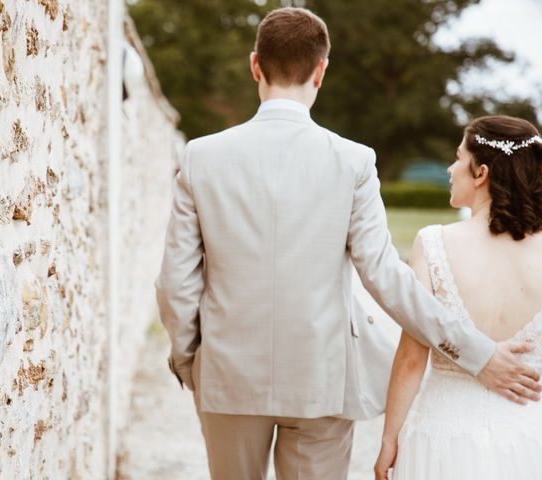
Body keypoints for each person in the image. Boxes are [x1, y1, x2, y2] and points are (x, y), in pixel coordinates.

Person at [155, 7, 541, 480]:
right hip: (323, 379)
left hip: (228, 376)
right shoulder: (354, 162)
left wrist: (191, 360)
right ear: (321, 71)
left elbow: (175, 282)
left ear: (255, 64)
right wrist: (476, 353)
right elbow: (387, 280)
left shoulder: (200, 157)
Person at [375, 115, 542, 480]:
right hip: (529, 438)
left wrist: (389, 439)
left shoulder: (434, 243)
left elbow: (410, 359)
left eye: (457, 157)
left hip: (442, 438)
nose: (450, 169)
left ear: (481, 173)